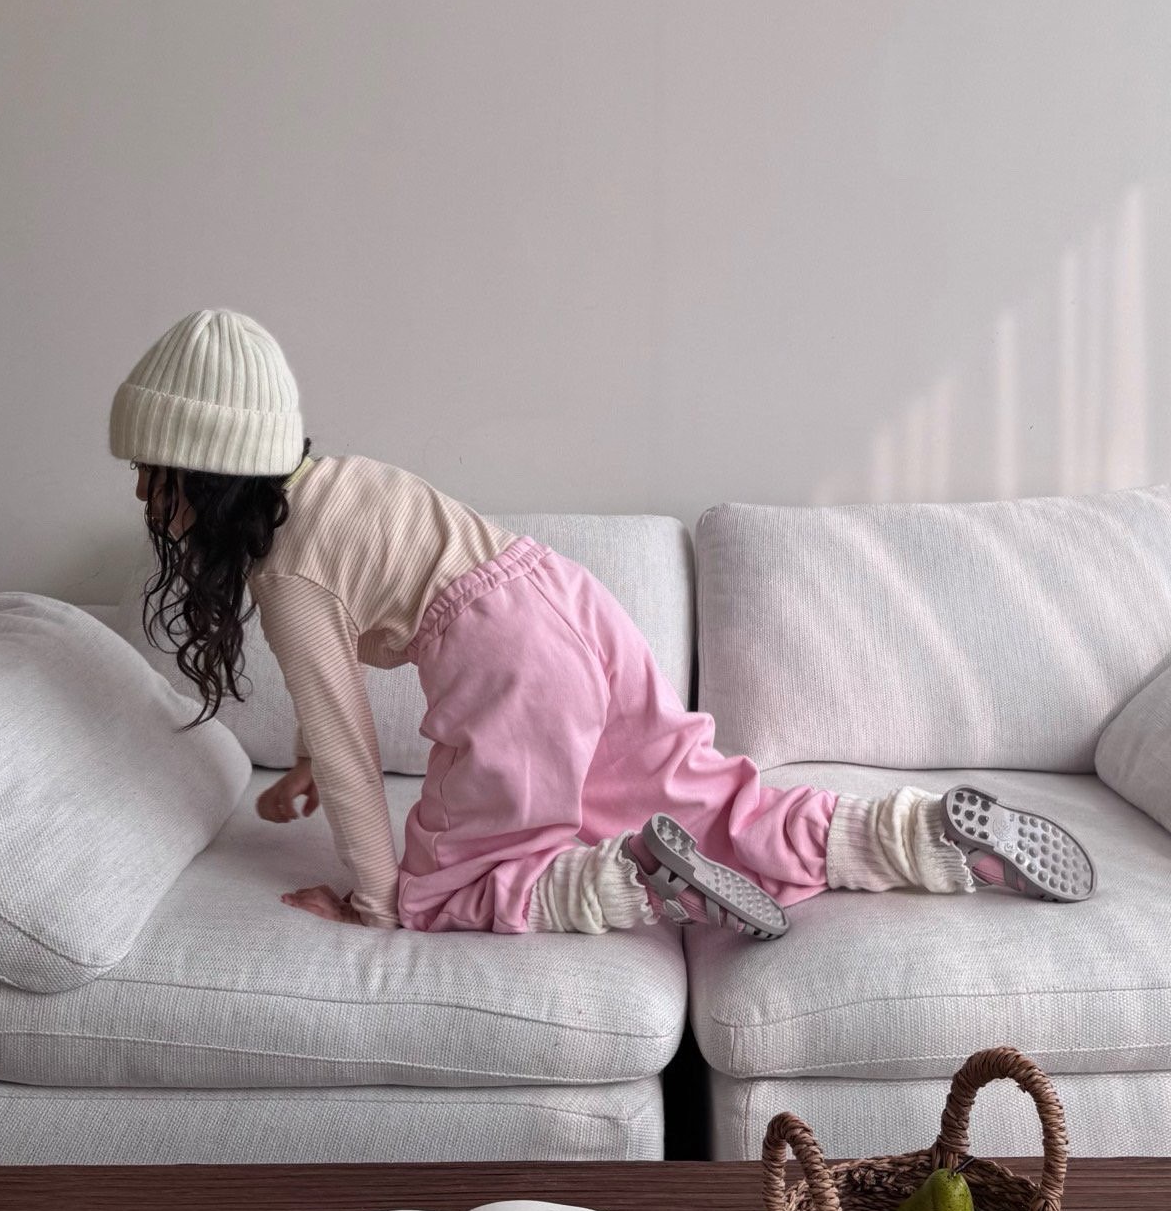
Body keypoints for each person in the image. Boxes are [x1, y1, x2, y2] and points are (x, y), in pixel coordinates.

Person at [109, 309, 1096, 939]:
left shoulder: (286, 571)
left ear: (208, 473)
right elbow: (346, 674)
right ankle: (918, 834)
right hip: (567, 603)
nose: (146, 499)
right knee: (721, 803)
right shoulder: (346, 480)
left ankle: (631, 881)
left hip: (506, 662)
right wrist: (302, 770)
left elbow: (344, 735)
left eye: (156, 475)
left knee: (443, 889)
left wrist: (374, 898)